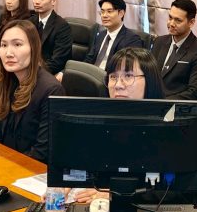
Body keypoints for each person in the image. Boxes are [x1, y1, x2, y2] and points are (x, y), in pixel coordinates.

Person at [70, 47, 165, 203]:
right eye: (113, 77)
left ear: (150, 81)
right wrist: (67, 184)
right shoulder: (99, 121)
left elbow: (177, 192)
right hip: (98, 207)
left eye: (128, 76)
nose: (118, 85)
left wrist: (116, 194)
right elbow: (86, 166)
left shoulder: (167, 129)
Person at [0, 19, 64, 163]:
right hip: (4, 162)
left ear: (33, 48)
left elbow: (41, 152)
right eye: (4, 45)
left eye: (17, 44)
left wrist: (4, 165)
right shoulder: (7, 80)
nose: (8, 53)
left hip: (29, 169)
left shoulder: (50, 90)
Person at [150, 0, 197, 101]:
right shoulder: (159, 42)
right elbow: (148, 74)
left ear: (191, 22)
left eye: (178, 20)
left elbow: (195, 92)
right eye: (170, 17)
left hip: (175, 106)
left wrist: (162, 103)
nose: (171, 23)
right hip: (150, 100)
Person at [83, 0, 144, 72]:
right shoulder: (100, 35)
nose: (104, 15)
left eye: (109, 11)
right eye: (102, 12)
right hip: (91, 75)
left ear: (121, 13)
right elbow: (89, 59)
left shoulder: (132, 40)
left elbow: (127, 69)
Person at [29, 0, 72, 76]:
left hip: (47, 74)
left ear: (53, 1)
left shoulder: (62, 26)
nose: (37, 1)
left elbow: (58, 61)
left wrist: (33, 72)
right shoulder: (30, 22)